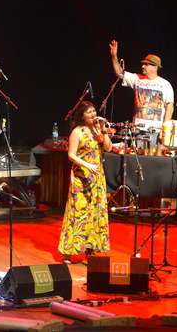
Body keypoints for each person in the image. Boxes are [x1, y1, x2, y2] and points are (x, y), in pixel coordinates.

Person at [58, 101, 112, 262]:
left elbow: (108, 148)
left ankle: (91, 249)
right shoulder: (77, 131)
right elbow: (71, 155)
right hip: (81, 178)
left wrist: (104, 131)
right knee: (78, 213)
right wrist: (87, 164)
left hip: (97, 178)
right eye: (89, 112)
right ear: (82, 115)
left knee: (95, 213)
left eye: (94, 111)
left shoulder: (97, 130)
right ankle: (68, 251)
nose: (93, 114)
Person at [109, 40, 174, 139]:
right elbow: (119, 73)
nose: (143, 66)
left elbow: (170, 107)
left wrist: (164, 130)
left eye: (147, 64)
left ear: (155, 67)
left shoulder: (165, 84)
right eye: (143, 64)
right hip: (137, 130)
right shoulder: (137, 78)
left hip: (156, 131)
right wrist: (114, 56)